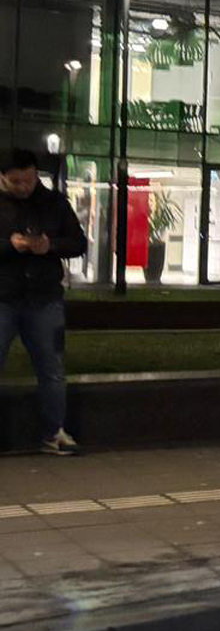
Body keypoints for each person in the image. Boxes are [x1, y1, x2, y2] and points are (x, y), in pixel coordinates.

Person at [0, 149, 88, 455]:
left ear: (36, 174)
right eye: (15, 182)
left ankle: (54, 432)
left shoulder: (54, 203)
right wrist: (9, 245)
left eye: (28, 180)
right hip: (3, 297)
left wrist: (50, 246)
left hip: (44, 298)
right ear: (3, 178)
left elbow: (78, 243)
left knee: (52, 368)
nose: (22, 187)